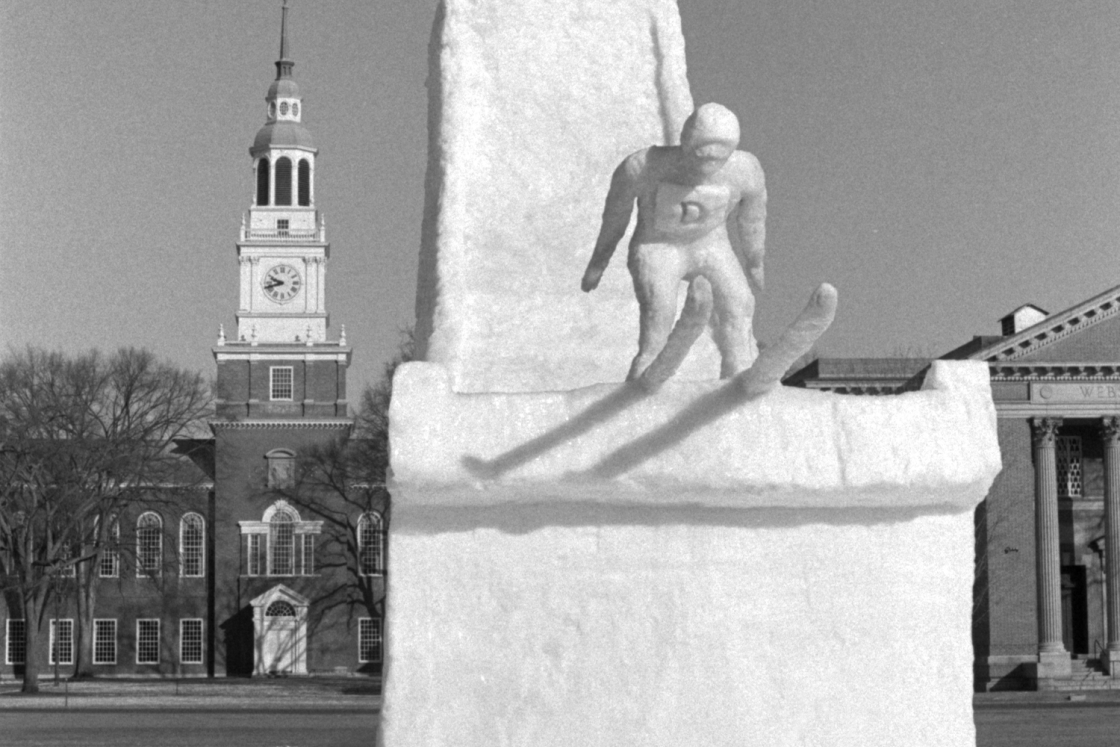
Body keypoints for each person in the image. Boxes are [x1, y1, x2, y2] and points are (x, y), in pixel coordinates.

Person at [581, 103, 766, 380]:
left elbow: (752, 218)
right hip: (657, 245)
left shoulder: (745, 170)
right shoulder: (643, 167)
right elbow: (616, 215)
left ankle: (739, 363)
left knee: (738, 301)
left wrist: (754, 261)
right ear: (686, 144)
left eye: (718, 159)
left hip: (710, 244)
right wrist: (599, 260)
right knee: (660, 305)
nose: (708, 166)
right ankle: (649, 362)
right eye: (701, 156)